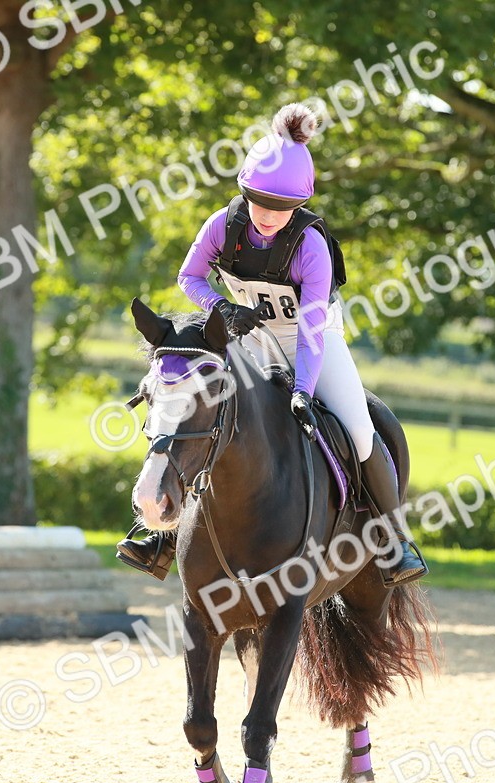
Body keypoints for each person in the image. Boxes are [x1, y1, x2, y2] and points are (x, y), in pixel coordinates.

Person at [118, 102, 427, 587]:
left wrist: (303, 390)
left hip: (313, 341)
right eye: (259, 202)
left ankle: (394, 542)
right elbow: (189, 277)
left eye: (281, 208)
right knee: (198, 412)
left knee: (362, 432)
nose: (267, 216)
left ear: (298, 206)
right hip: (251, 339)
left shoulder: (311, 245)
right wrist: (221, 308)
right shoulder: (223, 224)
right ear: (244, 193)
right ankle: (158, 535)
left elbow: (309, 332)